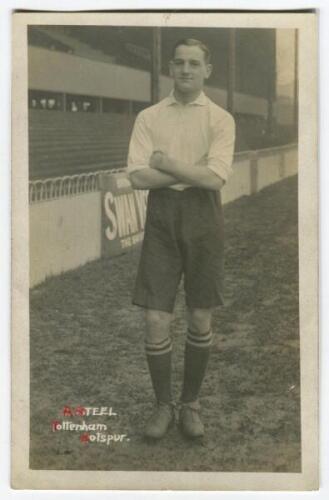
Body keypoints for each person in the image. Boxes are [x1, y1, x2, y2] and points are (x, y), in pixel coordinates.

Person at [127, 38, 235, 440]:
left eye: (194, 63)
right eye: (179, 63)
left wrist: (169, 164)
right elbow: (138, 177)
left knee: (201, 314)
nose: (186, 69)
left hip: (205, 215)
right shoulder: (149, 116)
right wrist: (194, 169)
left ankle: (190, 403)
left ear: (208, 70)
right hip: (162, 216)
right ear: (170, 68)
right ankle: (162, 406)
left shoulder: (221, 119)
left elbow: (215, 178)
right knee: (156, 316)